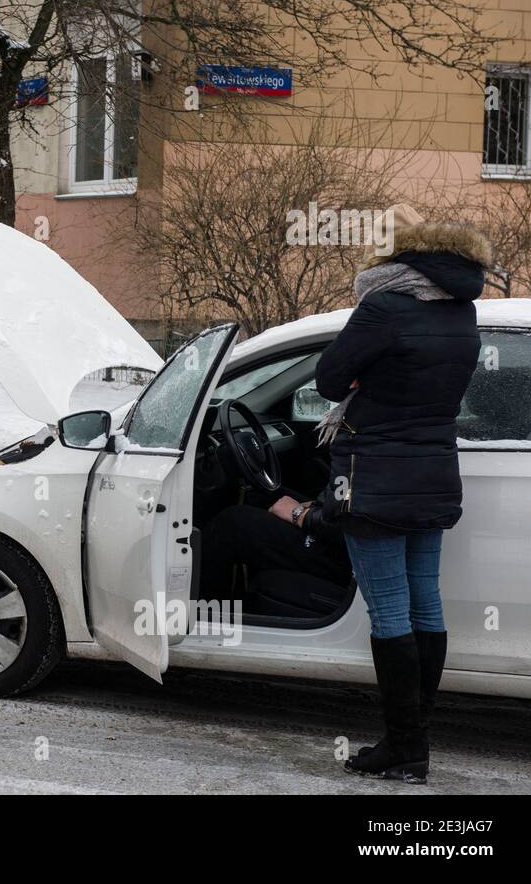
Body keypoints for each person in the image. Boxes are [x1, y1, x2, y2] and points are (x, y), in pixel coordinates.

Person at [315, 205, 489, 784]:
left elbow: (328, 381)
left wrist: (366, 377)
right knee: (425, 603)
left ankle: (404, 747)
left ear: (401, 257)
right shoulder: (463, 311)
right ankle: (413, 736)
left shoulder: (383, 306)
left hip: (376, 475)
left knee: (390, 611)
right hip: (433, 470)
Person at [199, 490, 349, 610]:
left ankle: (203, 614)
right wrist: (317, 506)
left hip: (348, 555)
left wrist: (299, 514)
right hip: (340, 529)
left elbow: (362, 519)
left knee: (231, 524)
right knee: (258, 495)